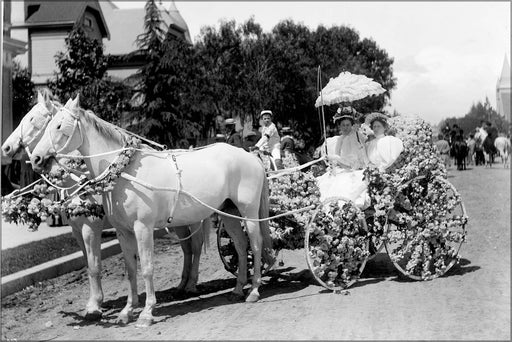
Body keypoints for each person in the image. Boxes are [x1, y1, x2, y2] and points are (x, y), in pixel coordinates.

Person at [316, 106, 369, 208]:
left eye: (348, 125)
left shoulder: (355, 136)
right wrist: (332, 161)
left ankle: (345, 208)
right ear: (339, 126)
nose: (345, 127)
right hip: (343, 168)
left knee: (345, 186)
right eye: (343, 125)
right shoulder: (340, 139)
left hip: (354, 169)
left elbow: (356, 159)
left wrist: (336, 158)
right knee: (327, 183)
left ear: (352, 125)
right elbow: (337, 155)